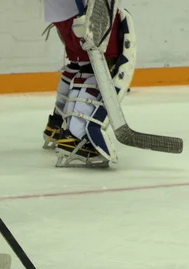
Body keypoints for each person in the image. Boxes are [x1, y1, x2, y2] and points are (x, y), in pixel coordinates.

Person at [42, 0, 136, 167]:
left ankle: (58, 125)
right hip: (90, 9)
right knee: (99, 64)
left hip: (59, 11)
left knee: (80, 63)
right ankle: (76, 135)